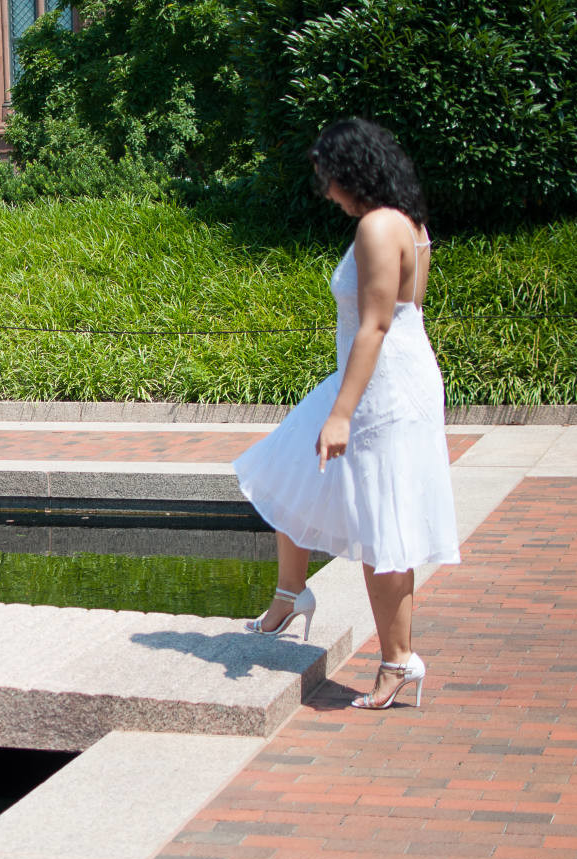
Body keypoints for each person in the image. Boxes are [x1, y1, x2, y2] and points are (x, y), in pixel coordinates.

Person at [232, 118, 460, 710]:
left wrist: (342, 413)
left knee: (384, 527)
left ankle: (397, 662)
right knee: (288, 465)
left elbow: (378, 323)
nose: (325, 190)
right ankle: (291, 594)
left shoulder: (378, 227)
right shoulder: (407, 222)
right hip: (386, 375)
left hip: (382, 388)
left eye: (326, 177)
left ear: (349, 171)